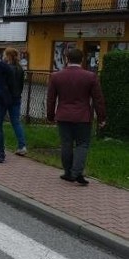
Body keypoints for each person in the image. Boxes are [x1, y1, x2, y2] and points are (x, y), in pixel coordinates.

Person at [46, 47, 106, 185]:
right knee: (82, 145)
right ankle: (76, 172)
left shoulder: (56, 76)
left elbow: (51, 99)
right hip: (83, 117)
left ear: (67, 59)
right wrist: (102, 118)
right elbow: (98, 99)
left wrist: (50, 115)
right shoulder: (90, 76)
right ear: (82, 60)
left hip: (63, 115)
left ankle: (68, 172)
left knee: (66, 144)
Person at [4, 47, 27, 156]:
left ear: (8, 56)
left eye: (5, 54)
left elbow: (4, 84)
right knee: (16, 122)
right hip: (16, 97)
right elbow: (22, 85)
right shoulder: (20, 68)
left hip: (6, 98)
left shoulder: (7, 68)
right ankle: (22, 145)